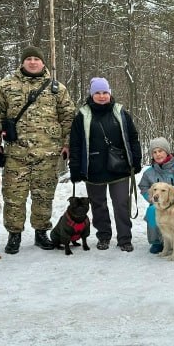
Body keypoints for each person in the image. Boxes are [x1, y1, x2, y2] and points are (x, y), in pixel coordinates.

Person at [0, 46, 75, 254]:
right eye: (29, 59)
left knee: (44, 195)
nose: (33, 62)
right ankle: (14, 234)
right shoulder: (6, 85)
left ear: (43, 63)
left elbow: (68, 117)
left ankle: (41, 232)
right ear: (23, 62)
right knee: (14, 196)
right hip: (16, 154)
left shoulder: (57, 88)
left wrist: (67, 144)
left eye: (37, 59)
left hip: (48, 154)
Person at [69, 77, 142, 252]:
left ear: (110, 93)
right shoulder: (82, 115)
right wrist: (75, 168)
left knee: (121, 204)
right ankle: (103, 236)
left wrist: (136, 159)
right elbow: (75, 144)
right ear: (91, 94)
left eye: (105, 92)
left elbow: (133, 137)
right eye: (98, 93)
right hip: (93, 169)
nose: (102, 96)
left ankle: (124, 238)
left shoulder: (120, 112)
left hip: (119, 168)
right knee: (98, 205)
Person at [138, 137, 174, 254]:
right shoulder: (148, 172)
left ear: (167, 151)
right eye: (154, 152)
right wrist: (151, 198)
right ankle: (157, 242)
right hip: (158, 206)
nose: (158, 154)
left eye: (160, 151)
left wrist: (169, 197)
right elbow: (143, 187)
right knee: (152, 210)